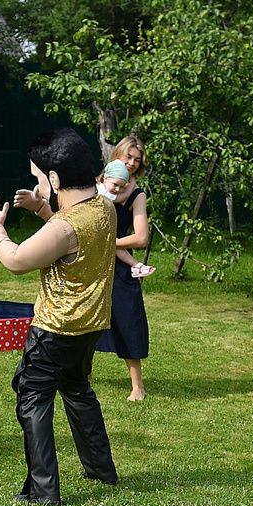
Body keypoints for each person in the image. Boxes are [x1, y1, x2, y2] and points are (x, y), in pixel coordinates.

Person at [0, 126, 119, 505]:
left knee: (32, 396)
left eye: (39, 179)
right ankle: (100, 469)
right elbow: (68, 239)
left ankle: (43, 492)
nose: (39, 184)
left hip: (55, 329)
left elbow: (16, 260)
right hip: (91, 325)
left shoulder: (67, 225)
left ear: (56, 178)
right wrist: (41, 207)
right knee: (77, 390)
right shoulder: (104, 206)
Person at [96, 137, 151, 402]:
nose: (131, 163)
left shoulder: (137, 195)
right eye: (128, 157)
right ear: (117, 154)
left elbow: (141, 238)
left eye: (136, 160)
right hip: (94, 263)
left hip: (119, 263)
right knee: (87, 319)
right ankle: (83, 375)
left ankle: (137, 386)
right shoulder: (99, 184)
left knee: (129, 320)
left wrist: (110, 243)